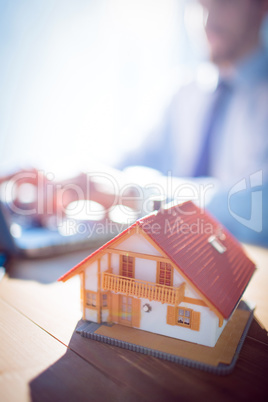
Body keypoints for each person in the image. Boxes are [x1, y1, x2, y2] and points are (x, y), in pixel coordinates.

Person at [118, 0, 268, 246]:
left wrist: (137, 193)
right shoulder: (183, 92)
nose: (207, 21)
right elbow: (132, 158)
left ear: (261, 6)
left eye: (223, 3)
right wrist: (80, 178)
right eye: (198, 5)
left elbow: (257, 211)